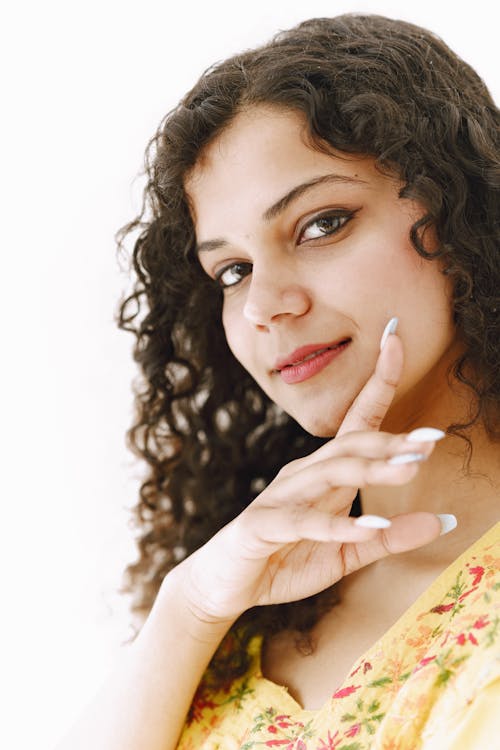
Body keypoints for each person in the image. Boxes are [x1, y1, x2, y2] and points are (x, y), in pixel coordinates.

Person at [55, 13, 499, 750]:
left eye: (321, 224)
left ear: (459, 212)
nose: (265, 306)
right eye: (232, 271)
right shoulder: (241, 610)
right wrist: (189, 607)